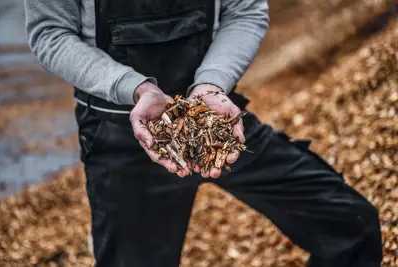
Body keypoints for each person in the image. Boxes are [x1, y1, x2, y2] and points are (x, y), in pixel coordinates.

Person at [24, 0, 383, 266]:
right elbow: (50, 33)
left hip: (215, 119)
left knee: (351, 225)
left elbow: (245, 11)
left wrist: (212, 84)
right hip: (121, 135)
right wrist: (134, 88)